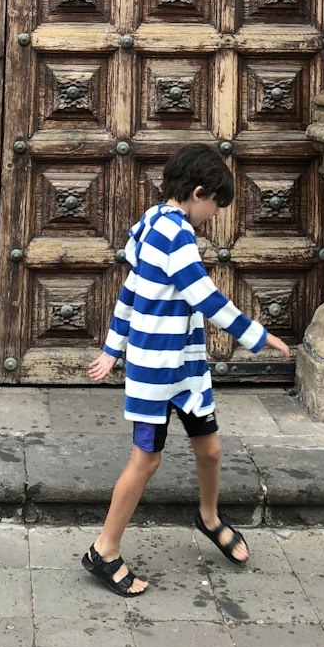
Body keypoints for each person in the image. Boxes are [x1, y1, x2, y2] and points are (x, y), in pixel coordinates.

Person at [82, 143, 292, 597]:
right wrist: (259, 337)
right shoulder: (170, 233)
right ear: (198, 193)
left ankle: (209, 516)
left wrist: (111, 348)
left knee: (210, 451)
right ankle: (104, 550)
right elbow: (205, 299)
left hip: (188, 368)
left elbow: (131, 294)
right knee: (146, 460)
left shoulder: (158, 223)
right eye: (216, 205)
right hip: (155, 370)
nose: (214, 215)